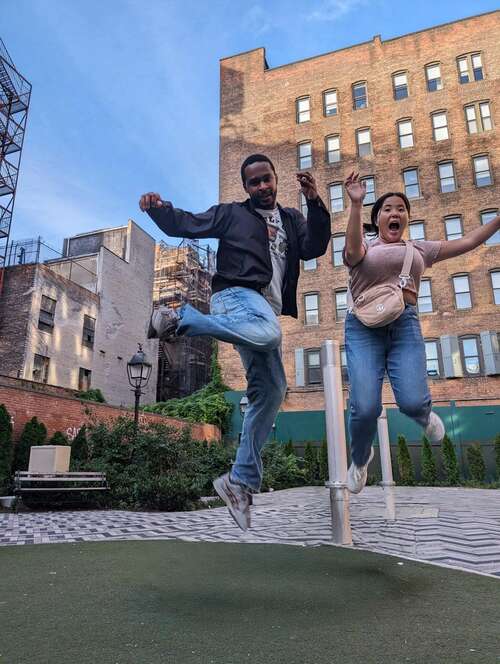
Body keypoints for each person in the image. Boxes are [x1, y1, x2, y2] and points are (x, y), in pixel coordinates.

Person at [139, 154, 331, 529]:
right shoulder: (233, 215)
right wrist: (158, 210)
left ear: (276, 179)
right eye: (254, 182)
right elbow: (190, 224)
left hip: (262, 310)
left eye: (266, 180)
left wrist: (314, 200)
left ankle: (239, 481)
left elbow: (315, 247)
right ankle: (183, 319)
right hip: (234, 297)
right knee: (271, 334)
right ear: (246, 187)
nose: (262, 187)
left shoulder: (291, 219)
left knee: (274, 390)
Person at [343, 172, 500, 494]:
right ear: (377, 219)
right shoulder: (366, 248)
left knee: (413, 401)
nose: (395, 213)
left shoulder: (420, 249)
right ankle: (360, 460)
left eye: (400, 208)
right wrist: (356, 203)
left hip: (404, 324)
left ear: (407, 218)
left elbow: (468, 242)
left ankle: (424, 415)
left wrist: (498, 219)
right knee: (366, 406)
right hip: (363, 328)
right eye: (387, 209)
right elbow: (350, 253)